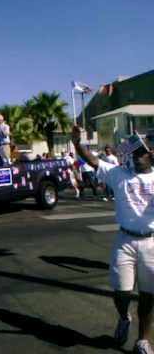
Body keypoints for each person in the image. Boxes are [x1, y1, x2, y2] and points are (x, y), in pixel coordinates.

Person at [73, 126, 154, 354]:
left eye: (141, 152)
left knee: (148, 297)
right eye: (134, 152)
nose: (136, 156)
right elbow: (93, 161)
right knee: (122, 292)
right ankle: (124, 317)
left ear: (151, 154)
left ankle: (143, 341)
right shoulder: (119, 173)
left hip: (152, 243)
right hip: (125, 240)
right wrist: (78, 144)